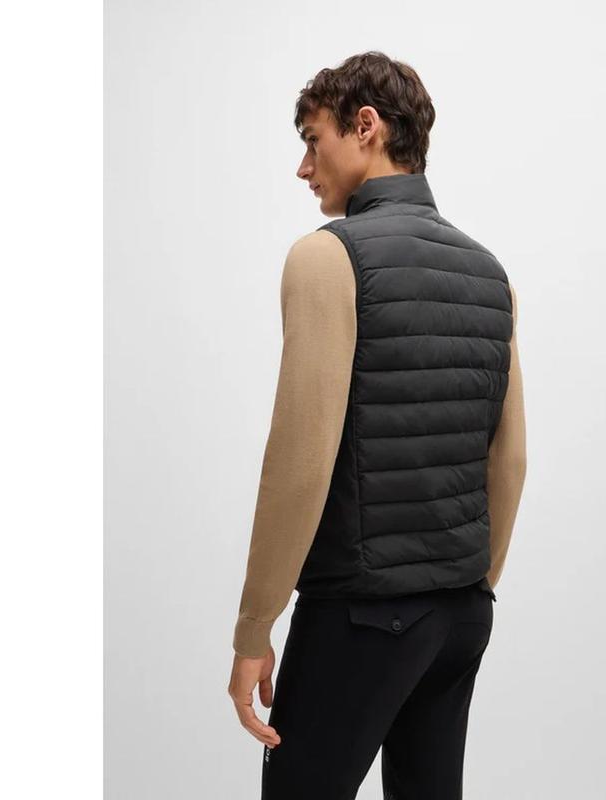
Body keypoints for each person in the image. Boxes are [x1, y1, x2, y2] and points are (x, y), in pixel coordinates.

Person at [227, 51, 527, 800]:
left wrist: (254, 626)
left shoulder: (327, 259)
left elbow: (301, 463)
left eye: (312, 139)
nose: (304, 167)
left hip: (361, 615)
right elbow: (511, 459)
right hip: (461, 616)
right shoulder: (490, 272)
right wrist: (468, 587)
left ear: (366, 127)